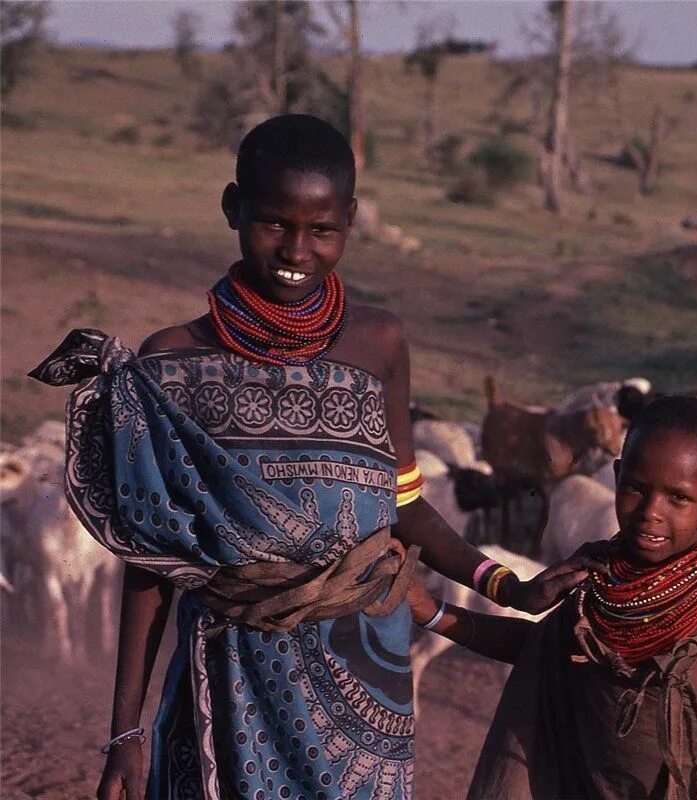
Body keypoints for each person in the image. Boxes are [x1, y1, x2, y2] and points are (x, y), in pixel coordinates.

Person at [30, 114, 593, 800]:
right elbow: (150, 561)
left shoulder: (379, 343)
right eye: (274, 223)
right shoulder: (170, 364)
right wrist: (126, 731)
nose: (297, 248)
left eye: (322, 230)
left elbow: (405, 505)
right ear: (233, 208)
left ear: (350, 222)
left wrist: (506, 587)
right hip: (227, 675)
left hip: (365, 675)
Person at [409, 395, 697, 800]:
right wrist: (432, 612)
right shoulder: (599, 580)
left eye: (678, 497)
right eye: (635, 489)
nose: (651, 512)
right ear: (616, 475)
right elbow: (541, 651)